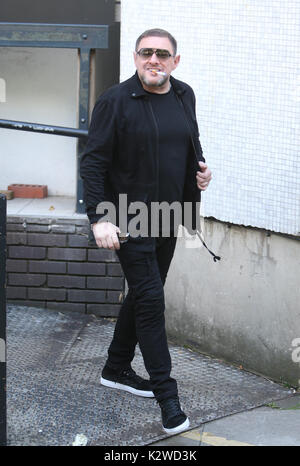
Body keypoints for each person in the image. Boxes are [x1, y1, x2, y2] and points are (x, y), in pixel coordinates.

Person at [80, 28, 212, 435]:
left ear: (175, 60)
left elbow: (189, 141)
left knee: (141, 294)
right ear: (136, 58)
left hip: (168, 214)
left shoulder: (183, 94)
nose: (154, 60)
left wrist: (201, 171)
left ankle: (116, 367)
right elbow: (93, 162)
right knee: (153, 301)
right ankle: (168, 399)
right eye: (146, 53)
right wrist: (99, 218)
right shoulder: (115, 102)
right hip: (128, 217)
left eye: (162, 54)